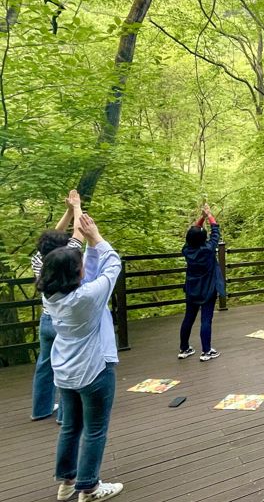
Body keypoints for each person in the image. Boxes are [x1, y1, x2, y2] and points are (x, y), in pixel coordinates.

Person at [39, 213, 123, 502]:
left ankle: (66, 481)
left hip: (64, 369)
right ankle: (89, 487)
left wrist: (85, 244)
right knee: (95, 429)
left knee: (72, 426)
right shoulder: (86, 298)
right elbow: (113, 265)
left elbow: (84, 271)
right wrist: (96, 237)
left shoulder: (51, 295)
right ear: (75, 274)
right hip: (94, 369)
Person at [31, 190, 84, 423]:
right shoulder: (66, 259)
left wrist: (68, 211)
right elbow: (79, 232)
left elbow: (52, 237)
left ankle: (40, 409)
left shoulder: (38, 259)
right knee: (68, 365)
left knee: (45, 363)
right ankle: (65, 415)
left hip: (45, 319)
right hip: (65, 320)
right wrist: (78, 207)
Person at [178, 203, 225, 362]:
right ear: (203, 238)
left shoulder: (187, 250)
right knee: (206, 320)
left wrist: (202, 218)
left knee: (188, 318)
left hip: (192, 289)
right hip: (208, 289)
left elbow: (192, 234)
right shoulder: (208, 249)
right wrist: (209, 215)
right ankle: (206, 351)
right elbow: (215, 232)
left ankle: (184, 349)